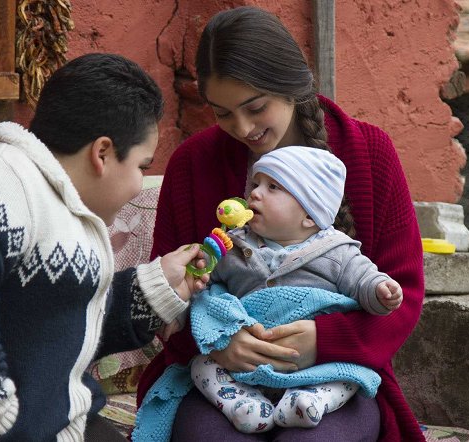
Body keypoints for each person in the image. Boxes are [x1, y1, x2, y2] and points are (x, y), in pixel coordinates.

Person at [137, 6, 425, 442]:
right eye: (223, 113)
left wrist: (323, 340)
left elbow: (402, 296)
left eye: (256, 107)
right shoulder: (192, 165)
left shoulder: (369, 153)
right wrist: (217, 341)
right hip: (223, 377)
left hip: (332, 382)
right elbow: (170, 290)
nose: (243, 128)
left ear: (292, 85)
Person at [0, 53, 208, 442]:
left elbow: (54, 320)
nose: (138, 184)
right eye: (142, 167)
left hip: (65, 423)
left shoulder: (60, 202)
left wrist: (155, 288)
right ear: (102, 153)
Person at [183, 145, 404, 433]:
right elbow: (202, 286)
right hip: (246, 362)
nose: (254, 193)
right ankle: (242, 404)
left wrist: (380, 290)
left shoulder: (337, 252)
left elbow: (363, 279)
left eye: (273, 187)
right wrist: (198, 270)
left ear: (310, 216)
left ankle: (311, 400)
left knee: (352, 374)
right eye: (256, 183)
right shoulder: (234, 245)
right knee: (201, 364)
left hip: (311, 367)